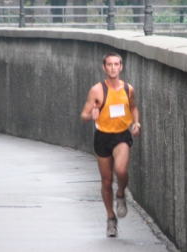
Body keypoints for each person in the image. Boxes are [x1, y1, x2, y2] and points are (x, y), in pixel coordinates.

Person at [80, 52, 140, 237]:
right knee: (106, 180)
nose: (113, 67)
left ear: (121, 67)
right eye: (109, 64)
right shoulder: (97, 90)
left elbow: (133, 107)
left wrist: (136, 123)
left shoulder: (128, 89)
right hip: (103, 137)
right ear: (104, 67)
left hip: (122, 135)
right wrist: (91, 116)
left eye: (116, 64)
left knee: (121, 171)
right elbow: (83, 115)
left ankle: (121, 194)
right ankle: (111, 218)